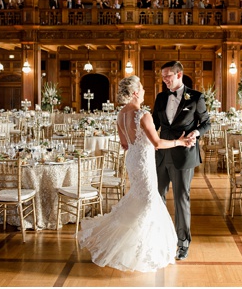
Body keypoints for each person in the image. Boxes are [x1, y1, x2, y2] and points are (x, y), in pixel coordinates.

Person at [79, 76, 195, 272]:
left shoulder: (120, 114)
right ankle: (142, 249)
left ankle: (131, 243)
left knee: (139, 197)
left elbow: (124, 144)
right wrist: (180, 142)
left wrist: (139, 145)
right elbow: (158, 144)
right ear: (134, 93)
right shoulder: (143, 115)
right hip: (143, 160)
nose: (143, 92)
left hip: (132, 159)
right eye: (141, 89)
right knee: (149, 199)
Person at [151, 61, 210, 261]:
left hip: (184, 154)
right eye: (163, 76)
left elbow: (206, 122)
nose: (165, 80)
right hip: (161, 154)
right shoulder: (160, 97)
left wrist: (196, 132)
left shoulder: (195, 97)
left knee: (180, 199)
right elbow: (153, 124)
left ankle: (183, 242)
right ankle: (159, 236)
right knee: (157, 197)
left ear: (179, 75)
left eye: (168, 75)